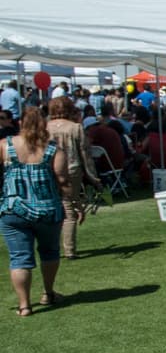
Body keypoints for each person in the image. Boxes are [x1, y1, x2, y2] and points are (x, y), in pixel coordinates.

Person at [1, 107, 79, 316]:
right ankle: (48, 293)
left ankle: (24, 305)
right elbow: (63, 181)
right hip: (48, 210)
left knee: (19, 258)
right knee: (50, 252)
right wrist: (75, 203)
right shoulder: (53, 150)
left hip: (13, 210)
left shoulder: (5, 146)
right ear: (44, 125)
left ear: (20, 124)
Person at [46, 97, 102, 259]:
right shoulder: (75, 128)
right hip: (72, 169)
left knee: (51, 209)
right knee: (69, 210)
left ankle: (52, 247)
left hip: (48, 171)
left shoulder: (45, 127)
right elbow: (85, 154)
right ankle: (69, 249)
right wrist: (93, 176)